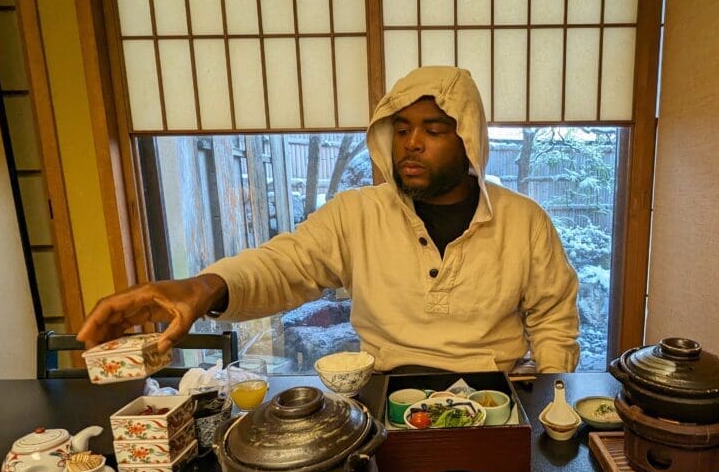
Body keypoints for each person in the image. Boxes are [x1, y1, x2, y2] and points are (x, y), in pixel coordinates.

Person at [77, 66, 580, 373]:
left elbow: (553, 318)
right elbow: (284, 265)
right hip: (385, 392)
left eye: (433, 129)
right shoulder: (357, 213)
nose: (411, 143)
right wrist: (204, 287)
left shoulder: (524, 220)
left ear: (468, 138)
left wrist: (550, 397)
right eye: (401, 128)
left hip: (496, 395)